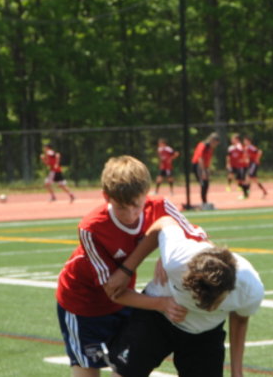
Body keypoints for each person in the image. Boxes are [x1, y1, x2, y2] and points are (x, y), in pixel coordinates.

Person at [55, 155, 207, 377]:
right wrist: (162, 304)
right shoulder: (91, 228)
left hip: (125, 301)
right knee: (87, 369)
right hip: (84, 305)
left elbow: (200, 238)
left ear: (146, 193)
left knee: (127, 367)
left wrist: (169, 255)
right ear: (106, 197)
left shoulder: (160, 206)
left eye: (136, 205)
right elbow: (113, 290)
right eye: (121, 207)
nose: (130, 215)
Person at [104, 216, 265, 377]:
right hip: (157, 317)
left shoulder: (250, 289)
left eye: (211, 304)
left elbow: (240, 320)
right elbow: (164, 222)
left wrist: (237, 372)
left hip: (205, 332)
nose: (202, 307)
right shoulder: (177, 260)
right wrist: (127, 269)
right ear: (186, 278)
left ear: (229, 289)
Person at [191, 132, 220, 209]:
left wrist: (207, 169)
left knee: (206, 183)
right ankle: (204, 203)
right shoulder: (203, 145)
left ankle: (205, 202)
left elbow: (208, 159)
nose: (216, 145)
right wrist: (203, 171)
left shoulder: (210, 148)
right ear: (212, 140)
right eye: (215, 143)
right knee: (203, 183)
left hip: (204, 167)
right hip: (198, 165)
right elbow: (200, 158)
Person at [226, 133, 250, 200]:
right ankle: (246, 191)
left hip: (242, 166)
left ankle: (246, 193)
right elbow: (228, 156)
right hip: (237, 166)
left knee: (242, 180)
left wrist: (245, 159)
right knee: (238, 180)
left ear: (237, 140)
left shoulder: (240, 147)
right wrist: (228, 163)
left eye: (233, 139)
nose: (232, 140)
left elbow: (245, 154)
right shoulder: (231, 148)